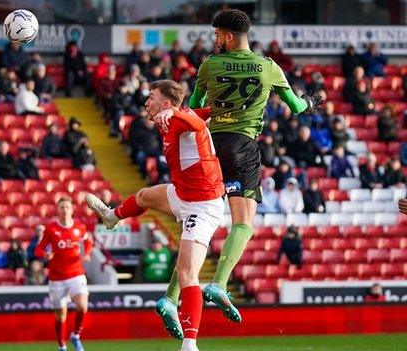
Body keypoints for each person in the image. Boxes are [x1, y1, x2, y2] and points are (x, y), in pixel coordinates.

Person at [169, 8, 321, 328]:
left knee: (200, 224)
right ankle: (220, 283)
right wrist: (311, 102)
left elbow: (195, 109)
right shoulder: (268, 67)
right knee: (244, 222)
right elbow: (295, 107)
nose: (214, 40)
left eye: (216, 35)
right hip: (243, 147)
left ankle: (170, 297)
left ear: (227, 36)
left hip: (208, 147)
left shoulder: (209, 65)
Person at [86, 80, 224, 349]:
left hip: (203, 205)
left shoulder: (181, 119)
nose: (146, 102)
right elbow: (207, 113)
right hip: (183, 193)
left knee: (186, 273)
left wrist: (176, 113)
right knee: (143, 196)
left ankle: (190, 343)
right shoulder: (172, 118)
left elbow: (197, 124)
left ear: (166, 103)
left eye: (151, 98)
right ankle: (112, 217)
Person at [35, 197, 93, 351]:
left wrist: (86, 253)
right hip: (57, 277)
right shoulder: (51, 229)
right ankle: (62, 346)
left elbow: (88, 241)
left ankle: (76, 335)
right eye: (62, 207)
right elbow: (38, 249)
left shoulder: (80, 227)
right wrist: (45, 255)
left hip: (76, 273)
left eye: (67, 207)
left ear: (72, 209)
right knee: (61, 315)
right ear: (58, 209)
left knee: (82, 306)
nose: (65, 210)